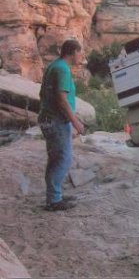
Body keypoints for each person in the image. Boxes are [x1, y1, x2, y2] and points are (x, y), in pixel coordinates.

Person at [38, 39, 86, 211]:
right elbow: (62, 99)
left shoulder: (54, 66)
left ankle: (54, 195)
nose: (81, 56)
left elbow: (43, 93)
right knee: (63, 159)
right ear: (72, 52)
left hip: (49, 118)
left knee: (56, 158)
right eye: (80, 52)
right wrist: (76, 122)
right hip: (56, 121)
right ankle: (54, 201)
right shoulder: (63, 69)